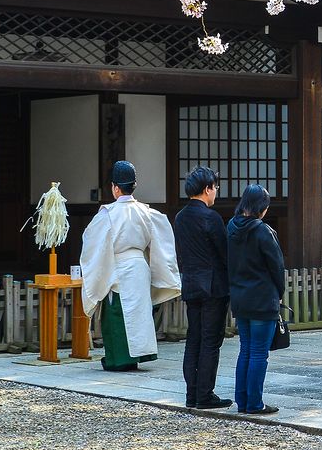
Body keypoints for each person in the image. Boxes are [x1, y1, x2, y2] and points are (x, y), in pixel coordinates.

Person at [79, 160, 181, 372]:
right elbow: (162, 240)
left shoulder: (108, 214)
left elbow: (92, 242)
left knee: (117, 313)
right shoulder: (147, 212)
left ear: (115, 188)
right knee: (140, 312)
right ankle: (139, 355)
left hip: (118, 266)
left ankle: (119, 359)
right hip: (139, 266)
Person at [174, 166, 231, 409]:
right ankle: (205, 395)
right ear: (207, 189)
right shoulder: (212, 217)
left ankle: (192, 394)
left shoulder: (180, 217)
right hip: (213, 286)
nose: (216, 192)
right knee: (211, 341)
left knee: (194, 339)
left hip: (191, 282)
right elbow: (224, 253)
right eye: (215, 187)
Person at [226, 184, 284, 415]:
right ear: (262, 208)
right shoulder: (263, 231)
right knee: (260, 352)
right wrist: (279, 294)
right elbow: (277, 267)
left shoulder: (230, 228)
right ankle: (255, 403)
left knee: (246, 350)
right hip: (262, 298)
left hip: (240, 298)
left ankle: (242, 401)